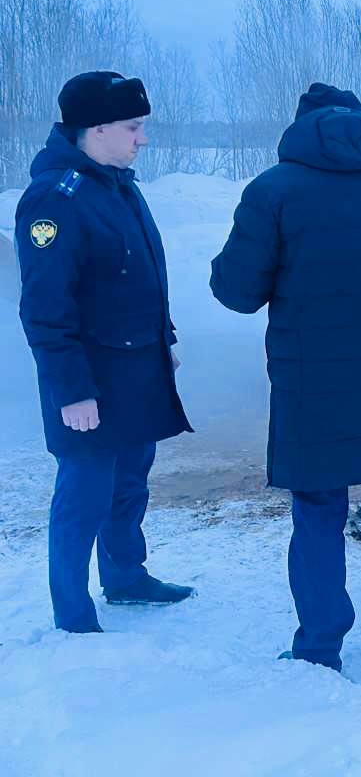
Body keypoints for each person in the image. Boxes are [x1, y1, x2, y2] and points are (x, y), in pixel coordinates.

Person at [210, 84, 361, 672]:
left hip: (312, 393)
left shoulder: (273, 192)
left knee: (317, 515)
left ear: (300, 126)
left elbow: (236, 293)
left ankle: (319, 647)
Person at [15, 71, 194, 634]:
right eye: (133, 127)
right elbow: (45, 309)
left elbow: (140, 274)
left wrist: (164, 341)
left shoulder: (117, 183)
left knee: (130, 483)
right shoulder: (55, 198)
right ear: (94, 129)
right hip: (90, 380)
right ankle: (72, 611)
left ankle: (125, 577)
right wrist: (72, 391)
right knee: (84, 493)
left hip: (136, 369)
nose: (142, 138)